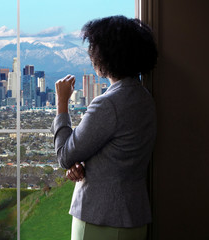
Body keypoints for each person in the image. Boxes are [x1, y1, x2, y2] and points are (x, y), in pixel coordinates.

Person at [51, 16, 158, 240]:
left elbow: (64, 155)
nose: (91, 55)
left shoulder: (108, 103)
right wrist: (84, 165)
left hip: (99, 217)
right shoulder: (143, 97)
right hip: (133, 216)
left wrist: (62, 103)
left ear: (106, 55)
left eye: (93, 48)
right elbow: (117, 155)